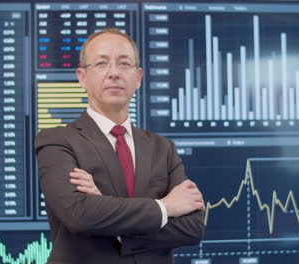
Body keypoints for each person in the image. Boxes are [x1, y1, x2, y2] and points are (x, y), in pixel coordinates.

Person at [35, 28, 205, 264]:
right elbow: (79, 214)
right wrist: (165, 207)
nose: (114, 73)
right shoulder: (56, 141)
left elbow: (192, 228)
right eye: (101, 64)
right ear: (82, 77)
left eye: (124, 64)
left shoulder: (163, 148)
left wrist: (107, 214)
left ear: (138, 77)